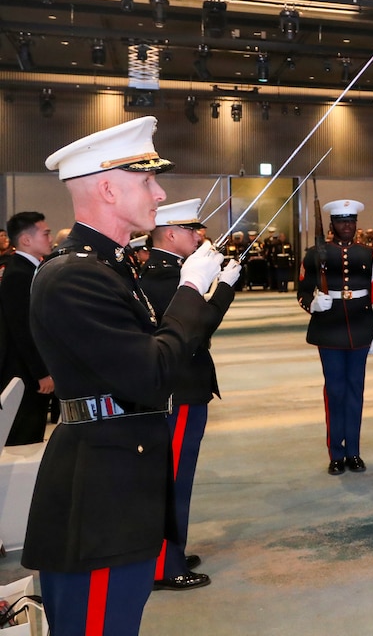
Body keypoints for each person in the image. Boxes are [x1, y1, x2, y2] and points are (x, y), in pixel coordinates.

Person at [21, 116, 232, 635]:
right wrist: (190, 290)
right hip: (99, 498)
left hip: (122, 481)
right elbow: (153, 372)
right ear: (109, 188)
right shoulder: (74, 277)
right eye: (147, 181)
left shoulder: (110, 267)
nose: (159, 193)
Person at [140, 199, 240, 591]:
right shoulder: (167, 278)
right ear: (169, 234)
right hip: (179, 390)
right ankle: (166, 563)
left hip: (183, 387)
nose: (198, 236)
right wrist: (225, 289)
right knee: (175, 479)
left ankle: (174, 548)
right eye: (190, 230)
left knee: (179, 476)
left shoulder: (167, 271)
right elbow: (196, 329)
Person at [299, 199, 373, 475]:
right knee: (335, 393)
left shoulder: (368, 253)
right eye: (341, 222)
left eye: (351, 221)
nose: (347, 226)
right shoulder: (315, 253)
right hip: (329, 329)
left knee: (355, 394)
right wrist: (312, 305)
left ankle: (354, 452)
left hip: (361, 327)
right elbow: (302, 291)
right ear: (332, 224)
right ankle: (336, 453)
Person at [0, 212, 54, 445]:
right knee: (23, 440)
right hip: (23, 373)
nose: (50, 239)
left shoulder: (30, 269)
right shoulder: (18, 274)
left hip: (29, 371)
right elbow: (22, 329)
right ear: (26, 240)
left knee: (32, 436)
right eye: (45, 233)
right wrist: (41, 372)